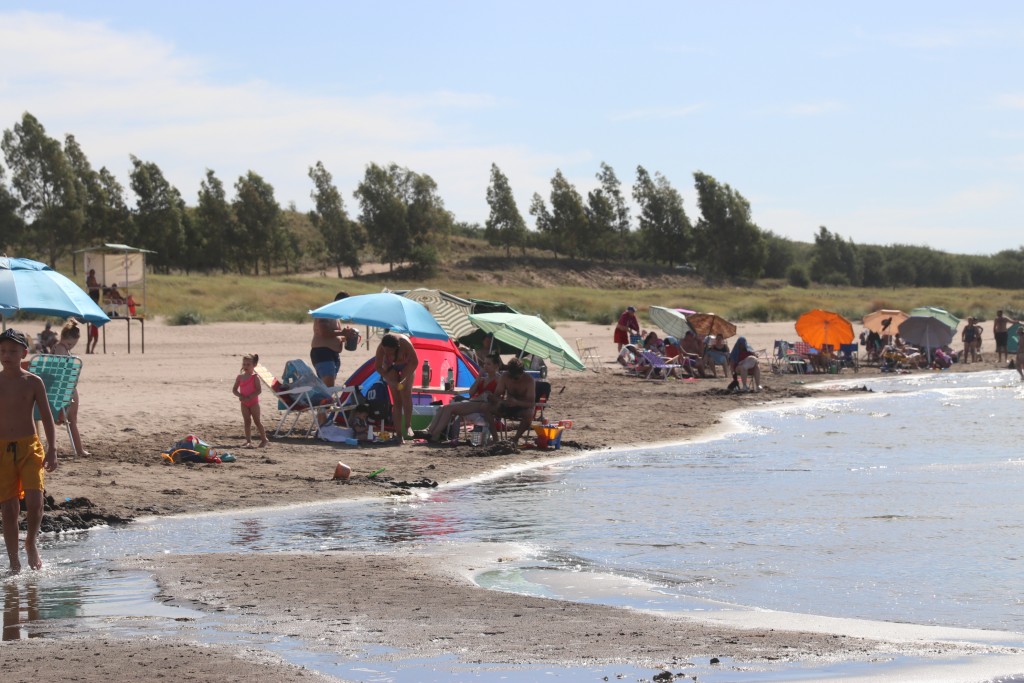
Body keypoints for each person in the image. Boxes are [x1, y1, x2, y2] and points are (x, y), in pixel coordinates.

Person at [0, 328, 57, 572]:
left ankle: (31, 542)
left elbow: (47, 416)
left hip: (29, 447)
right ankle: (14, 560)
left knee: (35, 501)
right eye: (3, 351)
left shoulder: (33, 382)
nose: (7, 355)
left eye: (13, 351)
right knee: (9, 508)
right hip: (2, 450)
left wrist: (52, 448)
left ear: (24, 353)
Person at [425, 354, 501, 443]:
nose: (485, 366)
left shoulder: (499, 379)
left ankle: (434, 434)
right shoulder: (483, 379)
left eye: (488, 364)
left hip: (483, 406)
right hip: (474, 403)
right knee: (443, 407)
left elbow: (497, 397)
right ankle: (430, 432)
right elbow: (471, 393)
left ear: (496, 366)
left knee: (449, 408)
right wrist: (478, 377)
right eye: (484, 364)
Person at [51, 321, 90, 456]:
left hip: (59, 389)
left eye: (72, 345)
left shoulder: (57, 347)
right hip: (66, 389)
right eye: (69, 344)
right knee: (72, 420)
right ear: (62, 338)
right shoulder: (61, 349)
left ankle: (78, 448)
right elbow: (61, 372)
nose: (69, 347)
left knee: (71, 419)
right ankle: (79, 449)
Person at [374, 332, 419, 443]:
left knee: (406, 393)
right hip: (390, 367)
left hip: (407, 365)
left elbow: (415, 362)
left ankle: (408, 425)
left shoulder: (404, 343)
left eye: (390, 351)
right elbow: (378, 367)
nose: (387, 353)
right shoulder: (381, 348)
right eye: (385, 351)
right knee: (397, 400)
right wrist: (389, 380)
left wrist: (405, 378)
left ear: (396, 348)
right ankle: (399, 434)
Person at [488, 357, 536, 447]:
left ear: (522, 373)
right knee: (485, 408)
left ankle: (515, 439)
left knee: (530, 414)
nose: (513, 379)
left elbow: (531, 404)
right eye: (511, 377)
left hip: (521, 407)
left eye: (516, 378)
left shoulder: (529, 381)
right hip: (507, 406)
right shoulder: (505, 377)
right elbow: (496, 395)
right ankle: (495, 438)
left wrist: (517, 402)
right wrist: (501, 402)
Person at [310, 291, 354, 387]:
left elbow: (333, 335)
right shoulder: (325, 312)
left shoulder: (335, 316)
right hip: (323, 352)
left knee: (326, 386)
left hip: (332, 354)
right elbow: (324, 332)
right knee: (329, 386)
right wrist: (342, 332)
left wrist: (345, 337)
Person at [232, 353, 268, 448]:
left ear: (254, 365)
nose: (246, 366)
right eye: (244, 364)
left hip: (254, 403)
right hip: (244, 403)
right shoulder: (240, 377)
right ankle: (248, 441)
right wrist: (239, 395)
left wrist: (250, 396)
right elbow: (234, 389)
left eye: (248, 364)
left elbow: (259, 390)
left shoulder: (255, 377)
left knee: (257, 421)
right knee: (247, 421)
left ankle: (264, 439)